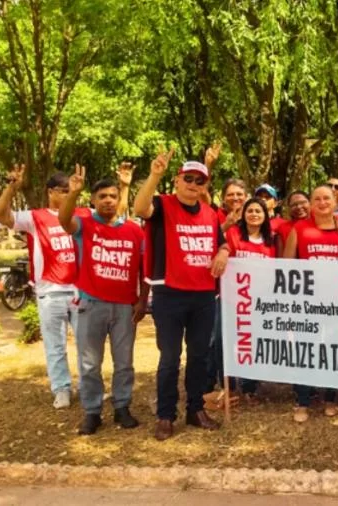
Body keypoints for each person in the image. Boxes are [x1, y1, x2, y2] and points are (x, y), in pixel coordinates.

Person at [0, 163, 128, 409]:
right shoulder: (35, 217)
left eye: (71, 191)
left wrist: (124, 186)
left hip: (80, 292)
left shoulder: (83, 215)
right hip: (50, 292)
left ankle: (89, 388)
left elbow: (117, 214)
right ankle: (62, 388)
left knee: (88, 347)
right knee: (55, 345)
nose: (68, 194)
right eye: (63, 191)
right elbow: (0, 216)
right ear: (50, 192)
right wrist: (12, 188)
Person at [133, 149, 230, 441]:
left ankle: (195, 410)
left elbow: (222, 243)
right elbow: (140, 208)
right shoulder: (162, 204)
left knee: (199, 356)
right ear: (177, 180)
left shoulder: (210, 214)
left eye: (200, 181)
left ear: (205, 186)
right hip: (170, 293)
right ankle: (166, 415)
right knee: (170, 358)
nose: (193, 185)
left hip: (203, 295)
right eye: (188, 178)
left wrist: (223, 252)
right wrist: (154, 175)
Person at [58, 167, 146, 435]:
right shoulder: (84, 225)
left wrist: (143, 300)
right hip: (91, 304)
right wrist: (72, 193)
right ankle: (92, 411)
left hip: (125, 307)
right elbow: (64, 221)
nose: (108, 200)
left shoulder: (134, 231)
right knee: (89, 364)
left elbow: (143, 269)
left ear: (119, 200)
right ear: (93, 200)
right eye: (102, 196)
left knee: (124, 362)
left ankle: (122, 407)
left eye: (113, 196)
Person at [282, 185, 338, 423]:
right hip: (308, 303)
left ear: (336, 201)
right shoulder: (300, 228)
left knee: (334, 349)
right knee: (305, 349)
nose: (322, 203)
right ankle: (303, 401)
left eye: (327, 198)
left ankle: (330, 399)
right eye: (317, 199)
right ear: (311, 203)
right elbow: (286, 264)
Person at [217, 198, 276, 403]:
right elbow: (219, 246)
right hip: (231, 299)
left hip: (258, 303)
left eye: (258, 211)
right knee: (225, 342)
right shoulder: (234, 234)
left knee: (252, 343)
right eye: (250, 210)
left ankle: (250, 386)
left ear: (265, 216)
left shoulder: (271, 241)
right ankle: (229, 387)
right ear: (243, 215)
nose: (254, 214)